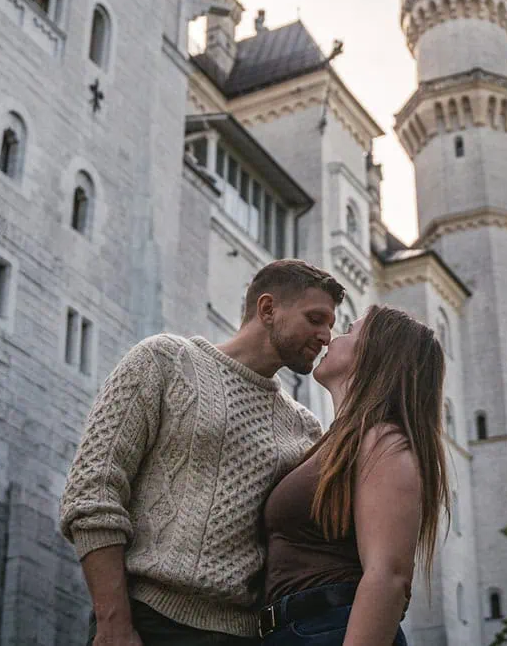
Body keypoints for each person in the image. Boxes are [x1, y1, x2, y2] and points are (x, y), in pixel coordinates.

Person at [60, 259, 345, 645]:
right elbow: (92, 492)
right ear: (267, 309)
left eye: (330, 324)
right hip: (147, 623)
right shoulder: (164, 361)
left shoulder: (305, 427)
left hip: (249, 636)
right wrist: (114, 624)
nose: (326, 336)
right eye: (316, 318)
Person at [258, 304, 450, 646]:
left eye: (348, 331)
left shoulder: (383, 440)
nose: (332, 338)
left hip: (329, 628)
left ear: (375, 355)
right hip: (301, 628)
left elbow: (388, 578)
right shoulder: (341, 440)